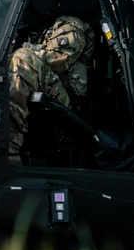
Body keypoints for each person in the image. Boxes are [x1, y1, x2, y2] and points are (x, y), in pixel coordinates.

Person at [8, 15, 94, 161]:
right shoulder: (20, 28)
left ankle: (9, 147)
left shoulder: (69, 24)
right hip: (40, 89)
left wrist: (23, 51)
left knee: (23, 57)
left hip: (64, 100)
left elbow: (57, 62)